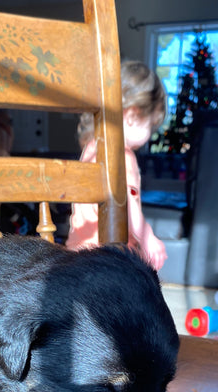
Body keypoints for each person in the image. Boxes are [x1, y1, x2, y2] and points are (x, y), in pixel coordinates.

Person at [65, 60, 168, 271]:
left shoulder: (93, 148)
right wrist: (148, 237)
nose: (150, 135)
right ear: (132, 115)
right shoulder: (121, 155)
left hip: (77, 255)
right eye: (151, 125)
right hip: (109, 258)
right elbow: (127, 207)